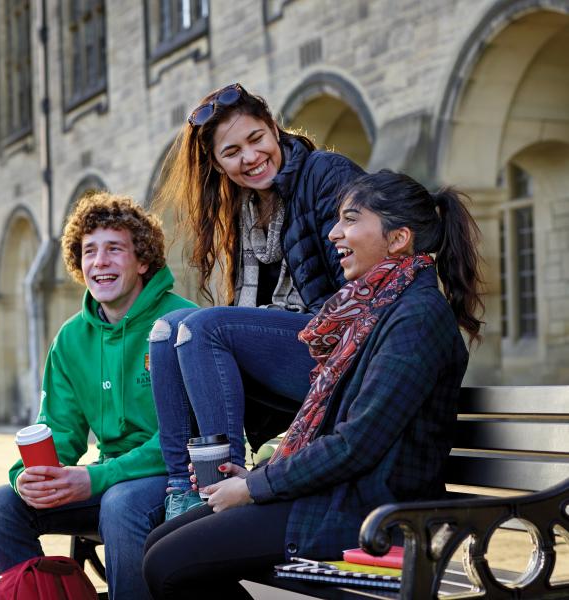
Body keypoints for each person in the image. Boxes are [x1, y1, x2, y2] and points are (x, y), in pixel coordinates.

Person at [141, 170, 484, 598]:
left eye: (351, 220)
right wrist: (259, 474)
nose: (334, 232)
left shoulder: (416, 318)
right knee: (157, 546)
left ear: (398, 240)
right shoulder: (373, 309)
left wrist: (252, 488)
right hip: (336, 494)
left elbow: (355, 444)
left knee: (168, 565)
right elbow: (335, 432)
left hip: (369, 510)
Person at [148, 83, 365, 516]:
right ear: (216, 163)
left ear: (274, 128)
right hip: (294, 355)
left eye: (256, 139)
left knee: (201, 328)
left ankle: (224, 489)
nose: (249, 157)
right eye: (231, 152)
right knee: (165, 331)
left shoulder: (327, 175)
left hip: (343, 355)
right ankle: (183, 491)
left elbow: (363, 286)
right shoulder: (244, 208)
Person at [0, 192, 196, 600]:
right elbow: (58, 429)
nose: (100, 262)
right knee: (0, 505)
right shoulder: (70, 339)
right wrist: (31, 477)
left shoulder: (182, 322)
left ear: (143, 261)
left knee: (120, 503)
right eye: (89, 251)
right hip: (109, 480)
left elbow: (183, 440)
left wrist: (95, 477)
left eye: (115, 249)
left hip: (176, 482)